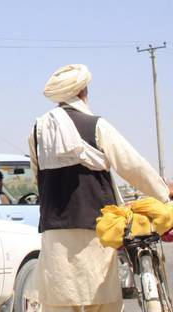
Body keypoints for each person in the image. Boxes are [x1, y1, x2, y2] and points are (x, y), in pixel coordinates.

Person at [28, 64, 171, 311]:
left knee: (60, 301)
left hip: (54, 230)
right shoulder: (96, 125)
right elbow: (132, 165)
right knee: (101, 300)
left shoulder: (38, 130)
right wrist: (163, 194)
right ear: (83, 91)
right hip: (97, 229)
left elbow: (36, 176)